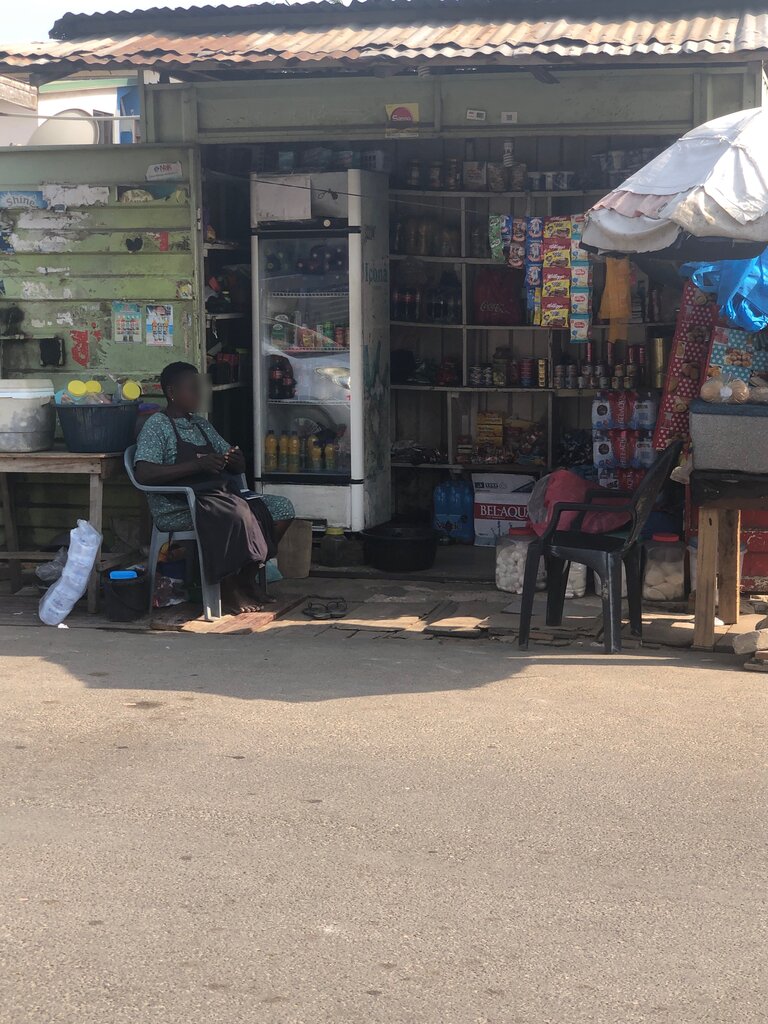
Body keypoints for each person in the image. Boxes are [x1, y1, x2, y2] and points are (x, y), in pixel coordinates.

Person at [134, 362, 295, 614]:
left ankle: (246, 578)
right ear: (172, 392)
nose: (199, 395)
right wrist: (196, 466)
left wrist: (236, 460)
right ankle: (227, 588)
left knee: (280, 509)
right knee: (235, 514)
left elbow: (230, 457)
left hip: (216, 497)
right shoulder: (157, 426)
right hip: (178, 505)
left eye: (200, 389)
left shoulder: (200, 424)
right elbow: (144, 472)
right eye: (192, 389)